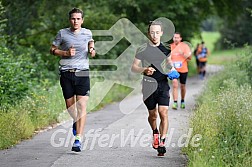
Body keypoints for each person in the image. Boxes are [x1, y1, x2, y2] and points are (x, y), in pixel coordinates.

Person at [49, 7, 95, 152]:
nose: (75, 21)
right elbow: (52, 49)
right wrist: (64, 53)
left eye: (78, 19)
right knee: (70, 107)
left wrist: (92, 50)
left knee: (82, 106)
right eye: (73, 19)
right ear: (70, 20)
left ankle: (78, 139)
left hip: (82, 73)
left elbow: (91, 43)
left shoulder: (87, 32)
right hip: (66, 73)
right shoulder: (62, 33)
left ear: (82, 20)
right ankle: (76, 121)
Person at [131, 21, 177, 156]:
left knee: (163, 113)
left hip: (162, 85)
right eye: (152, 32)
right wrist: (144, 70)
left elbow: (169, 63)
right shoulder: (142, 49)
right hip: (148, 86)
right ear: (148, 33)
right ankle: (155, 132)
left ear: (161, 33)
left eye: (157, 32)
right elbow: (134, 68)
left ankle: (162, 142)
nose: (155, 35)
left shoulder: (166, 48)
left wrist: (173, 69)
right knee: (153, 115)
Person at [170, 32, 192, 110]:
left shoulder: (185, 46)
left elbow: (189, 58)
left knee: (182, 86)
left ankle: (182, 100)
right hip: (174, 70)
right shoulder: (170, 47)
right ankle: (175, 102)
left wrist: (183, 54)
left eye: (177, 37)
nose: (175, 39)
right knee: (175, 84)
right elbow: (167, 59)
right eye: (174, 37)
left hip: (183, 69)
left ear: (180, 38)